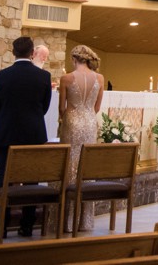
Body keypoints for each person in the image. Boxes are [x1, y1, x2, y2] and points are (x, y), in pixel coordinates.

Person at [0, 36, 52, 238]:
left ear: (13, 52)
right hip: (33, 134)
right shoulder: (43, 77)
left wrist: (6, 121)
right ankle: (27, 226)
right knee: (31, 181)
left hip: (5, 135)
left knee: (3, 180)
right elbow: (44, 107)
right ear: (32, 53)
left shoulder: (0, 76)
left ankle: (1, 227)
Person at [57, 44, 105, 231]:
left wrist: (67, 119)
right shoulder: (99, 78)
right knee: (85, 166)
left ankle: (67, 222)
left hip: (72, 122)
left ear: (74, 59)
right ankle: (85, 221)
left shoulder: (66, 78)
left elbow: (62, 107)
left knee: (70, 165)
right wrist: (86, 117)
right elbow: (97, 107)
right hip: (89, 123)